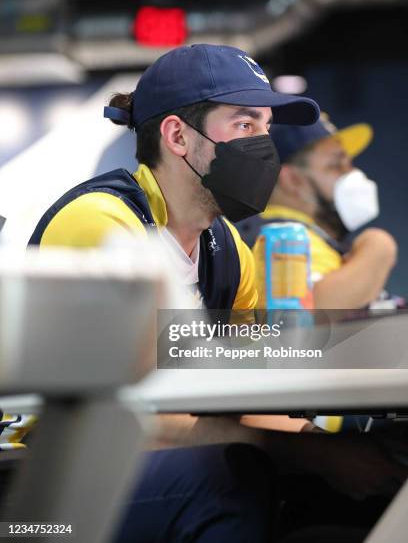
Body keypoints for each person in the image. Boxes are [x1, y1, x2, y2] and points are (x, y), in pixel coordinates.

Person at [26, 47, 407, 542]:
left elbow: (246, 396)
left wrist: (333, 449)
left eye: (267, 127)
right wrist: (307, 453)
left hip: (152, 463)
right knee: (225, 478)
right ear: (178, 136)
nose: (265, 144)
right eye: (245, 125)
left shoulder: (227, 249)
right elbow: (130, 417)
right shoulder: (104, 225)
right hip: (47, 490)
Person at [236, 114, 398, 310]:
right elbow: (303, 322)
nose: (354, 175)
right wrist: (379, 247)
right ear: (293, 180)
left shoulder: (313, 240)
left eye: (350, 163)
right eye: (336, 166)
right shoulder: (279, 240)